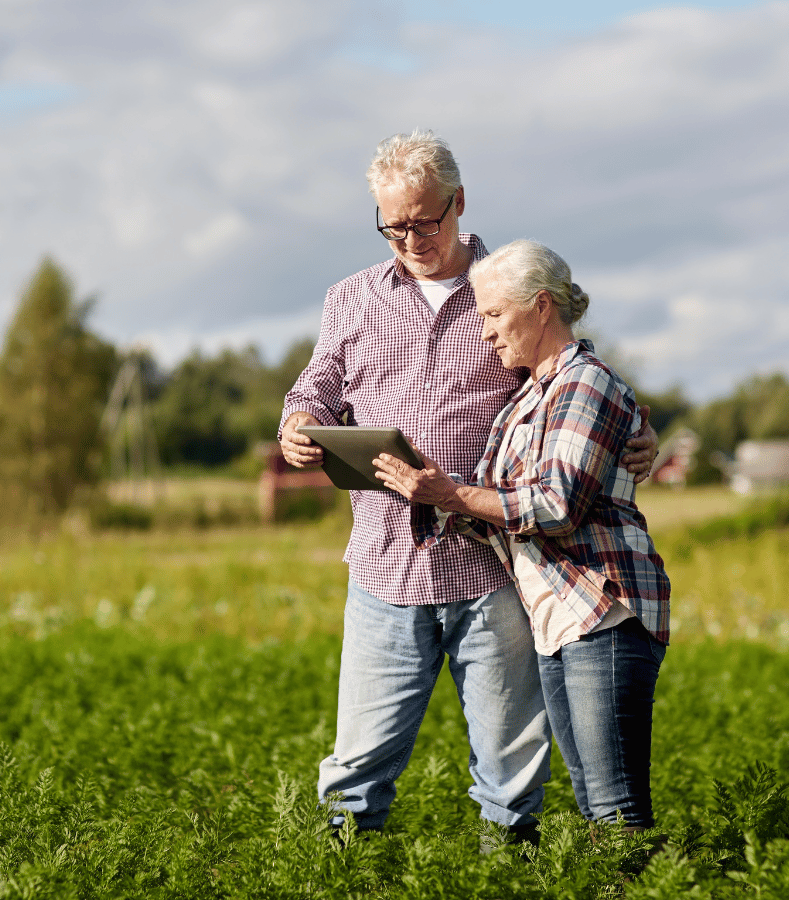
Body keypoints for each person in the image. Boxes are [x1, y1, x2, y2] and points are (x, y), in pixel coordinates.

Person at [278, 131, 658, 844]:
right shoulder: (352, 299)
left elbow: (577, 375)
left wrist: (641, 431)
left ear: (459, 203)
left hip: (496, 568)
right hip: (386, 566)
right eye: (395, 227)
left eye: (426, 220)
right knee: (357, 766)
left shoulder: (506, 285)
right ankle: (334, 879)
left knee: (511, 771)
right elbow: (318, 384)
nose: (413, 239)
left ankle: (505, 877)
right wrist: (299, 422)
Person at [373, 239, 670, 834]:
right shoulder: (529, 396)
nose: (483, 332)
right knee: (594, 800)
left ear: (539, 307)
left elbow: (555, 505)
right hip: (560, 620)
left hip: (602, 611)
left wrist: (448, 495)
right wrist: (420, 488)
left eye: (492, 314)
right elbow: (503, 507)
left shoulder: (585, 384)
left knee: (615, 807)